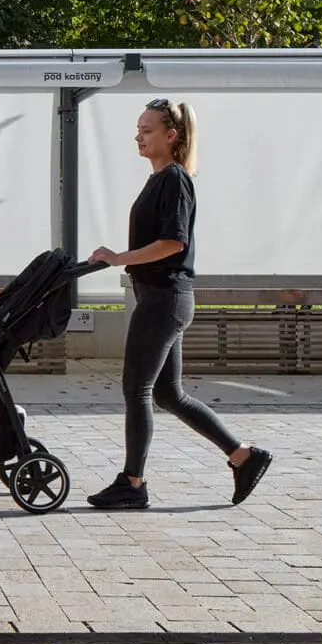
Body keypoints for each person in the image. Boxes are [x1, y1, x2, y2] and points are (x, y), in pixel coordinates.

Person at [84, 97, 273, 512]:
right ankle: (243, 455)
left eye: (146, 130)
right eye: (138, 129)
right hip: (164, 297)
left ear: (171, 136)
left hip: (164, 297)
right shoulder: (160, 179)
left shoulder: (174, 180)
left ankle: (132, 483)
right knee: (169, 394)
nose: (138, 137)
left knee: (137, 389)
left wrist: (118, 258)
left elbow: (173, 242)